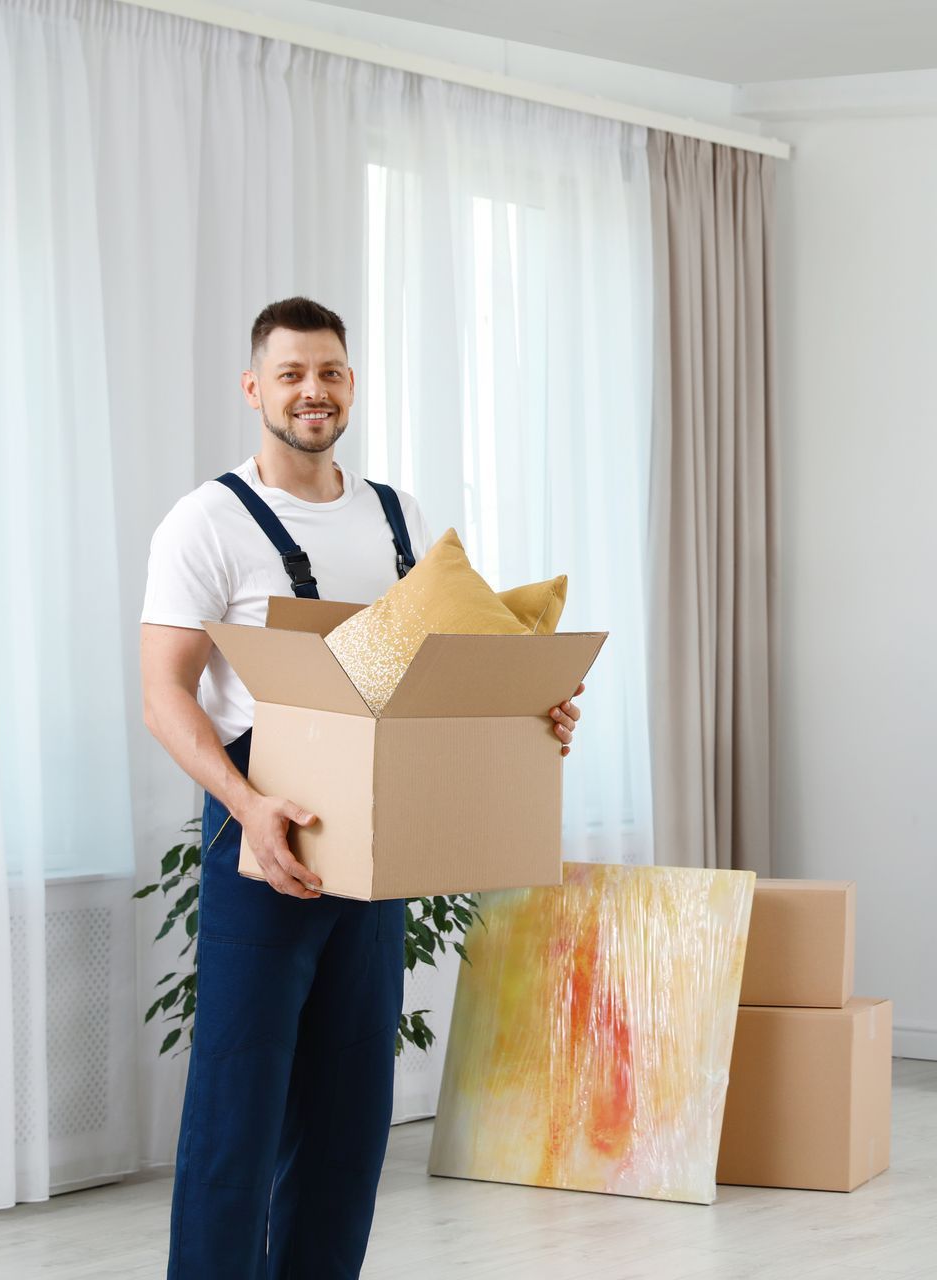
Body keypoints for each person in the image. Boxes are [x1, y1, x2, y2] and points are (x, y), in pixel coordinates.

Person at [139, 296, 582, 1277]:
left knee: (349, 1113)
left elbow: (441, 673)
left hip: (379, 843)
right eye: (291, 373)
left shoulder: (399, 516)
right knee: (237, 1107)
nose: (313, 390)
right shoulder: (207, 520)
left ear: (351, 384)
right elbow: (163, 694)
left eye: (330, 371)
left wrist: (526, 711)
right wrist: (247, 807)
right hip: (265, 831)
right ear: (255, 387)